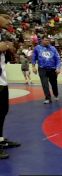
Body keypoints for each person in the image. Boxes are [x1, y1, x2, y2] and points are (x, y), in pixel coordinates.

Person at [0, 12, 21, 159]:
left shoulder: (2, 35)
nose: (9, 21)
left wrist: (8, 47)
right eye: (5, 17)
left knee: (3, 111)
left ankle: (0, 140)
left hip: (2, 80)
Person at [31, 36, 62, 104]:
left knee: (54, 83)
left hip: (52, 69)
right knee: (44, 84)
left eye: (48, 40)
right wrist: (33, 67)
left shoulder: (53, 48)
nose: (47, 41)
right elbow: (33, 58)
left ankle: (55, 94)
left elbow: (58, 59)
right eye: (45, 40)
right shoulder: (37, 48)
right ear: (42, 40)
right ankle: (48, 98)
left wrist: (58, 68)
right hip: (42, 69)